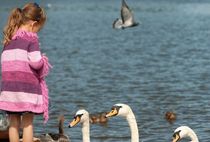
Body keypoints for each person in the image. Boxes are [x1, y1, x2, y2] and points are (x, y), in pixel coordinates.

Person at [0, 3, 51, 142]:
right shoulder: (31, 39)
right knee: (28, 123)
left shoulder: (9, 39)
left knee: (13, 123)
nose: (37, 33)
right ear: (33, 24)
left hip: (9, 90)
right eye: (38, 29)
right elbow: (36, 62)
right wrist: (43, 60)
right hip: (26, 89)